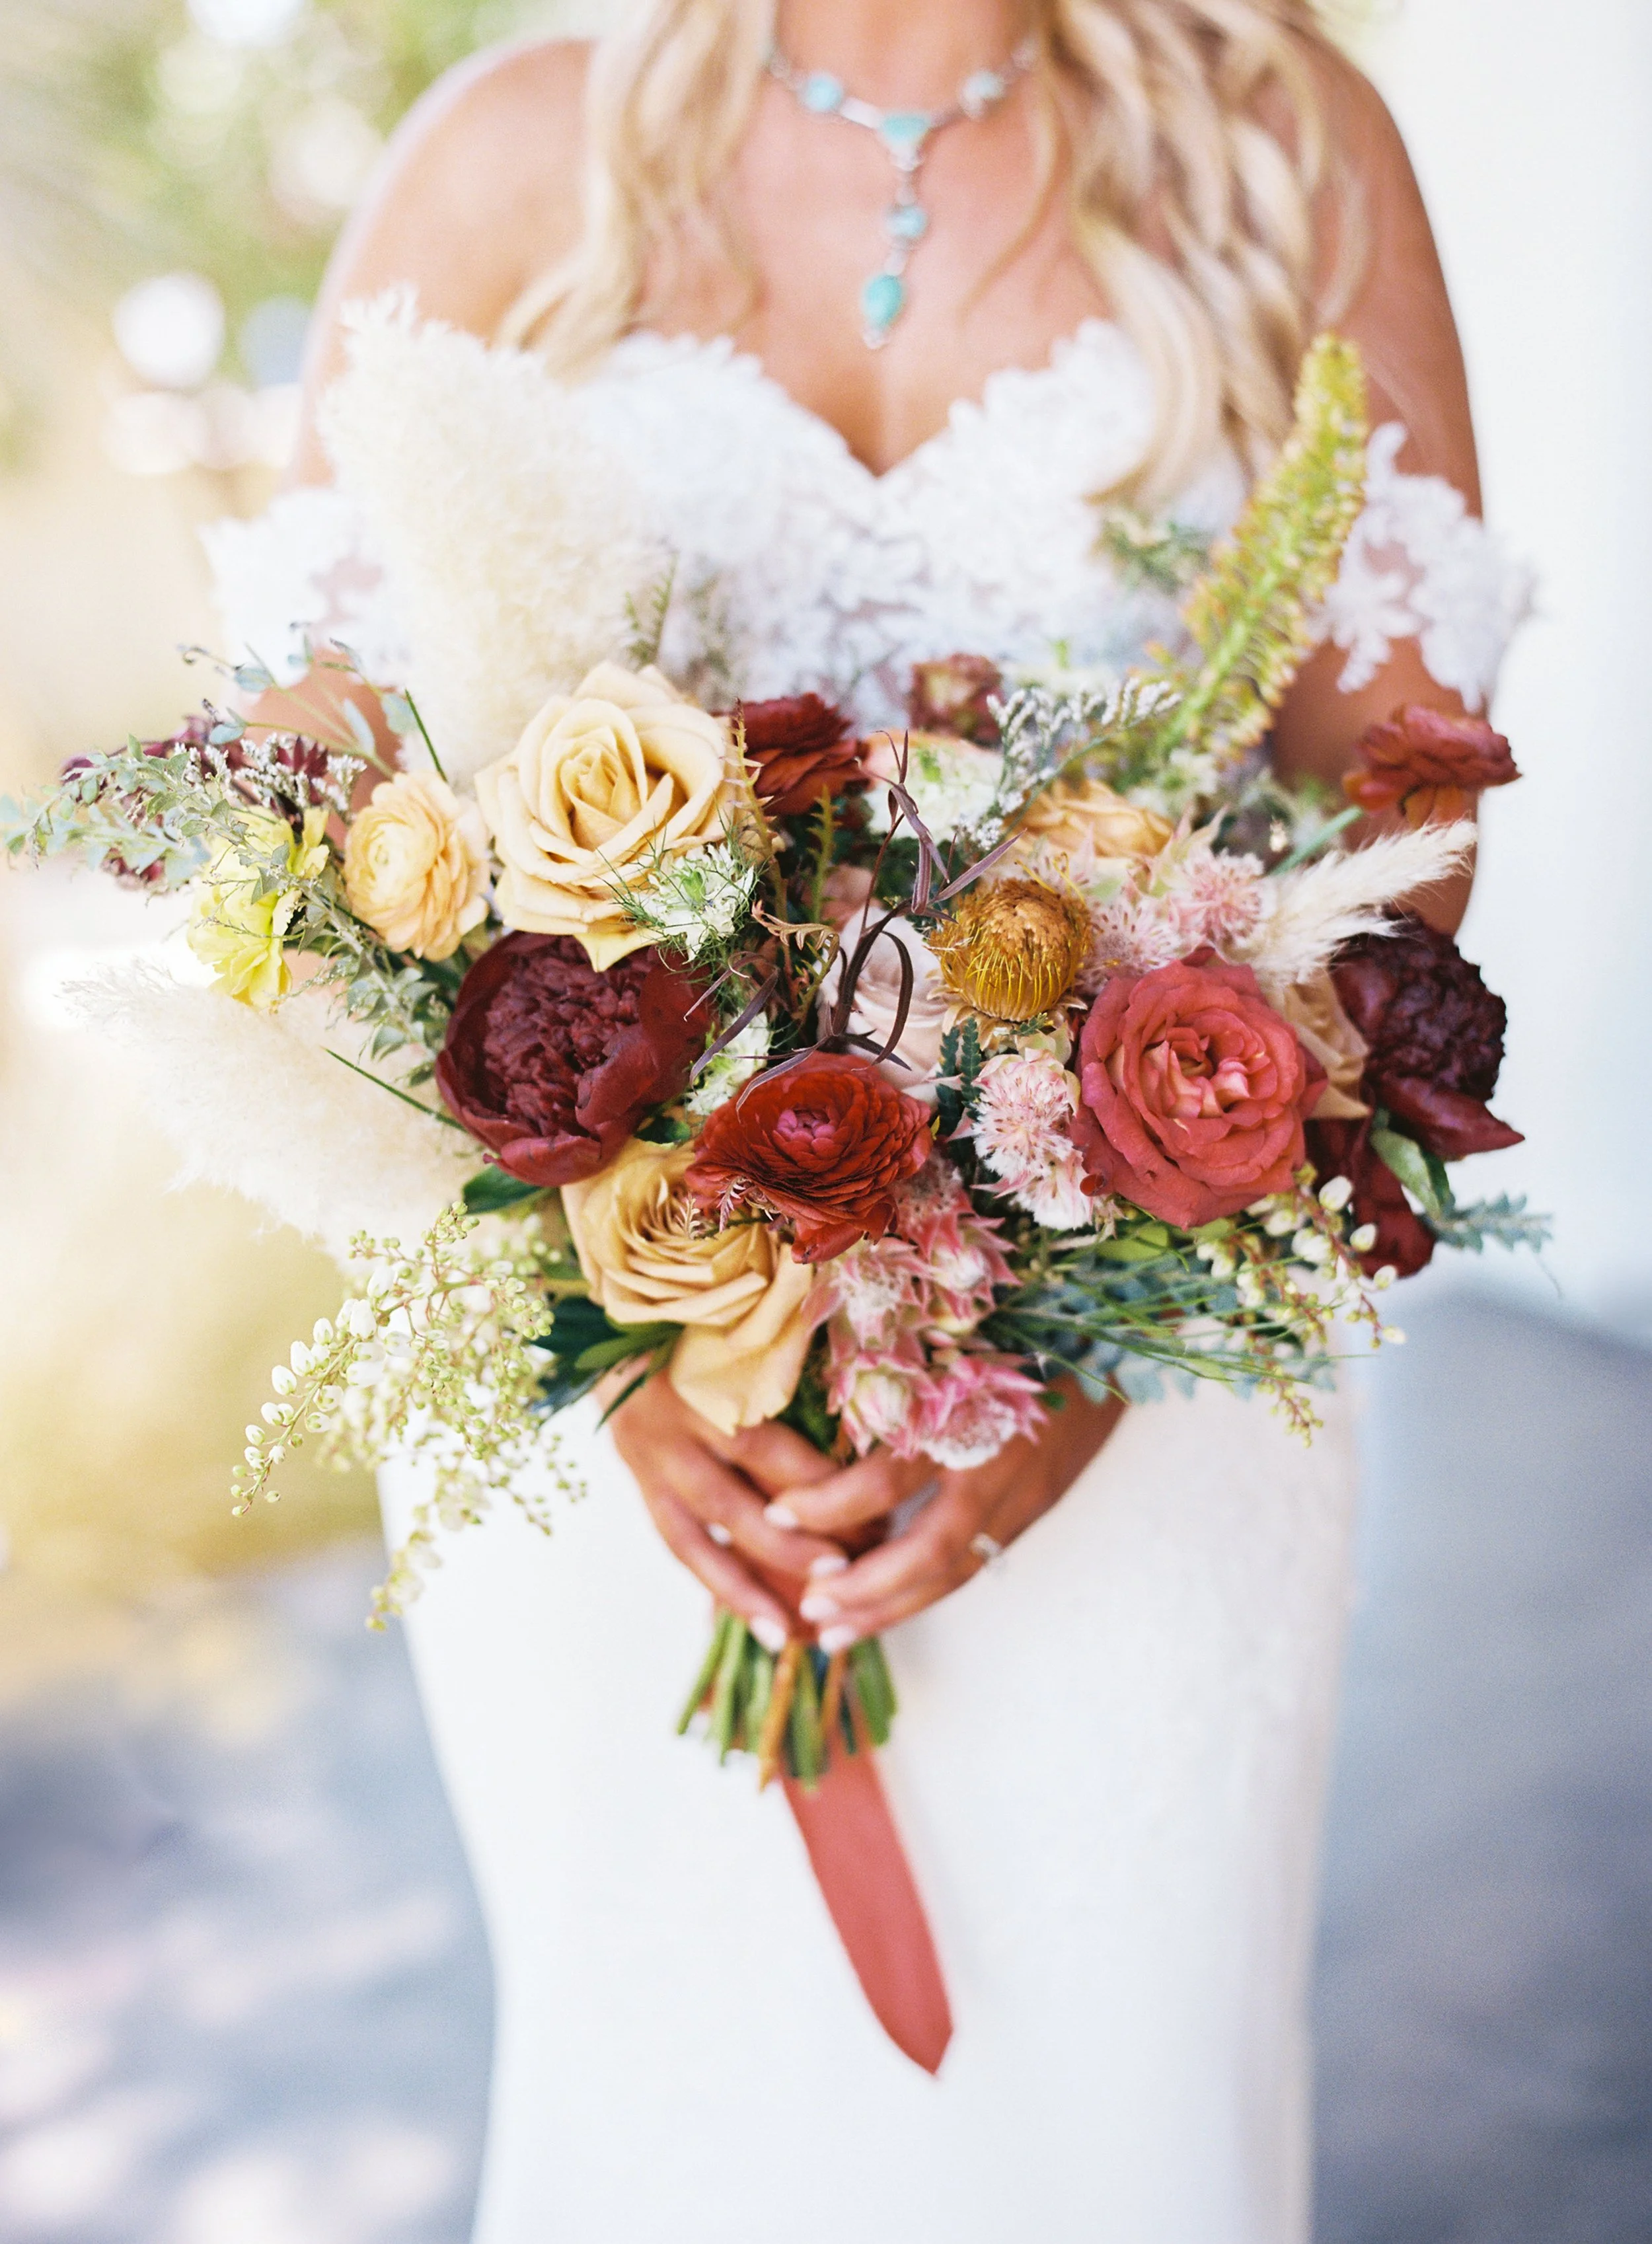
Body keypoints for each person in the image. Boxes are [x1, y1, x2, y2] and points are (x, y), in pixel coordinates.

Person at [211, 4, 1527, 2236]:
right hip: (627, 1454)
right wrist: (617, 1334)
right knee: (676, 2112)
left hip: (1145, 1398)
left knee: (1110, 2117)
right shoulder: (507, 158)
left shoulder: (1284, 145)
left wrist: (1097, 1334)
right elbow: (312, 813)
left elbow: (1401, 815)